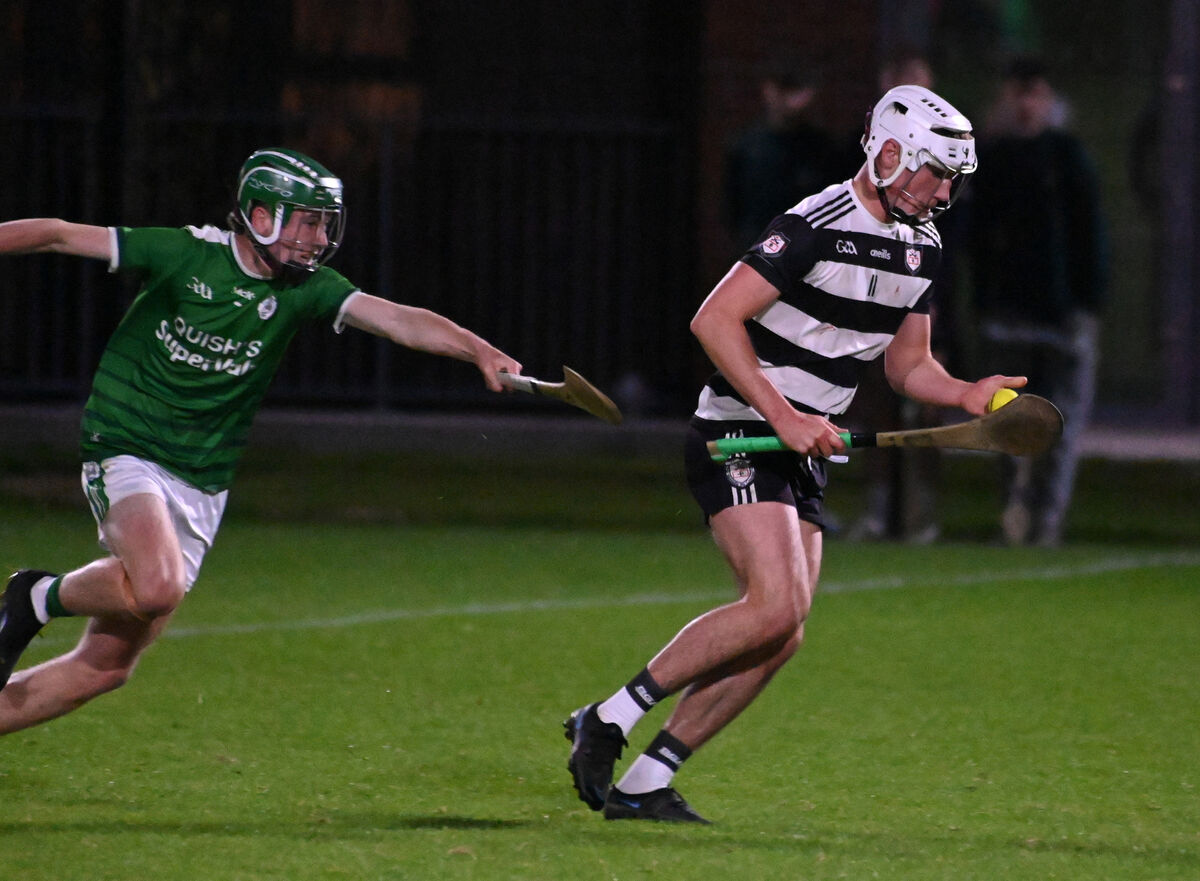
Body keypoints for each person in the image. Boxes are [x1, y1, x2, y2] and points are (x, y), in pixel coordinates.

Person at [563, 85, 1026, 823]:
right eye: (934, 172)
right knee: (773, 604)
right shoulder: (814, 224)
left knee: (783, 631)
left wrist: (966, 394)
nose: (942, 191)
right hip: (739, 432)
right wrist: (784, 414)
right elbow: (714, 320)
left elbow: (908, 366)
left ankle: (650, 777)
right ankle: (610, 715)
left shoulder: (923, 247)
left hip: (800, 449)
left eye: (951, 179)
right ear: (888, 152)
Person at [0, 147, 522, 732]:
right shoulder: (186, 254)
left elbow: (399, 318)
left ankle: (35, 603)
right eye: (307, 219)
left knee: (103, 669)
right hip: (127, 444)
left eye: (326, 223)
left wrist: (477, 348)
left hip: (204, 478)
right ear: (259, 213)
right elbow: (57, 234)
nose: (319, 237)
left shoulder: (309, 289)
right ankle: (34, 599)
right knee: (157, 585)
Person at [968, 57, 1108, 546]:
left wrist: (1086, 305)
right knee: (1007, 423)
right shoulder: (992, 161)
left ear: (1049, 100)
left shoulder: (1069, 157)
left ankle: (1047, 523)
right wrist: (983, 303)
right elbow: (976, 241)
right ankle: (1015, 517)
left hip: (1063, 316)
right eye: (1018, 93)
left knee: (1061, 427)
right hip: (1008, 316)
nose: (1026, 104)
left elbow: (1091, 235)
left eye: (1035, 94)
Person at [722, 58, 834, 253]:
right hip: (758, 251)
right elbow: (734, 209)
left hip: (806, 254)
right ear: (768, 90)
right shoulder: (747, 147)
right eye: (786, 88)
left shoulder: (820, 148)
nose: (793, 99)